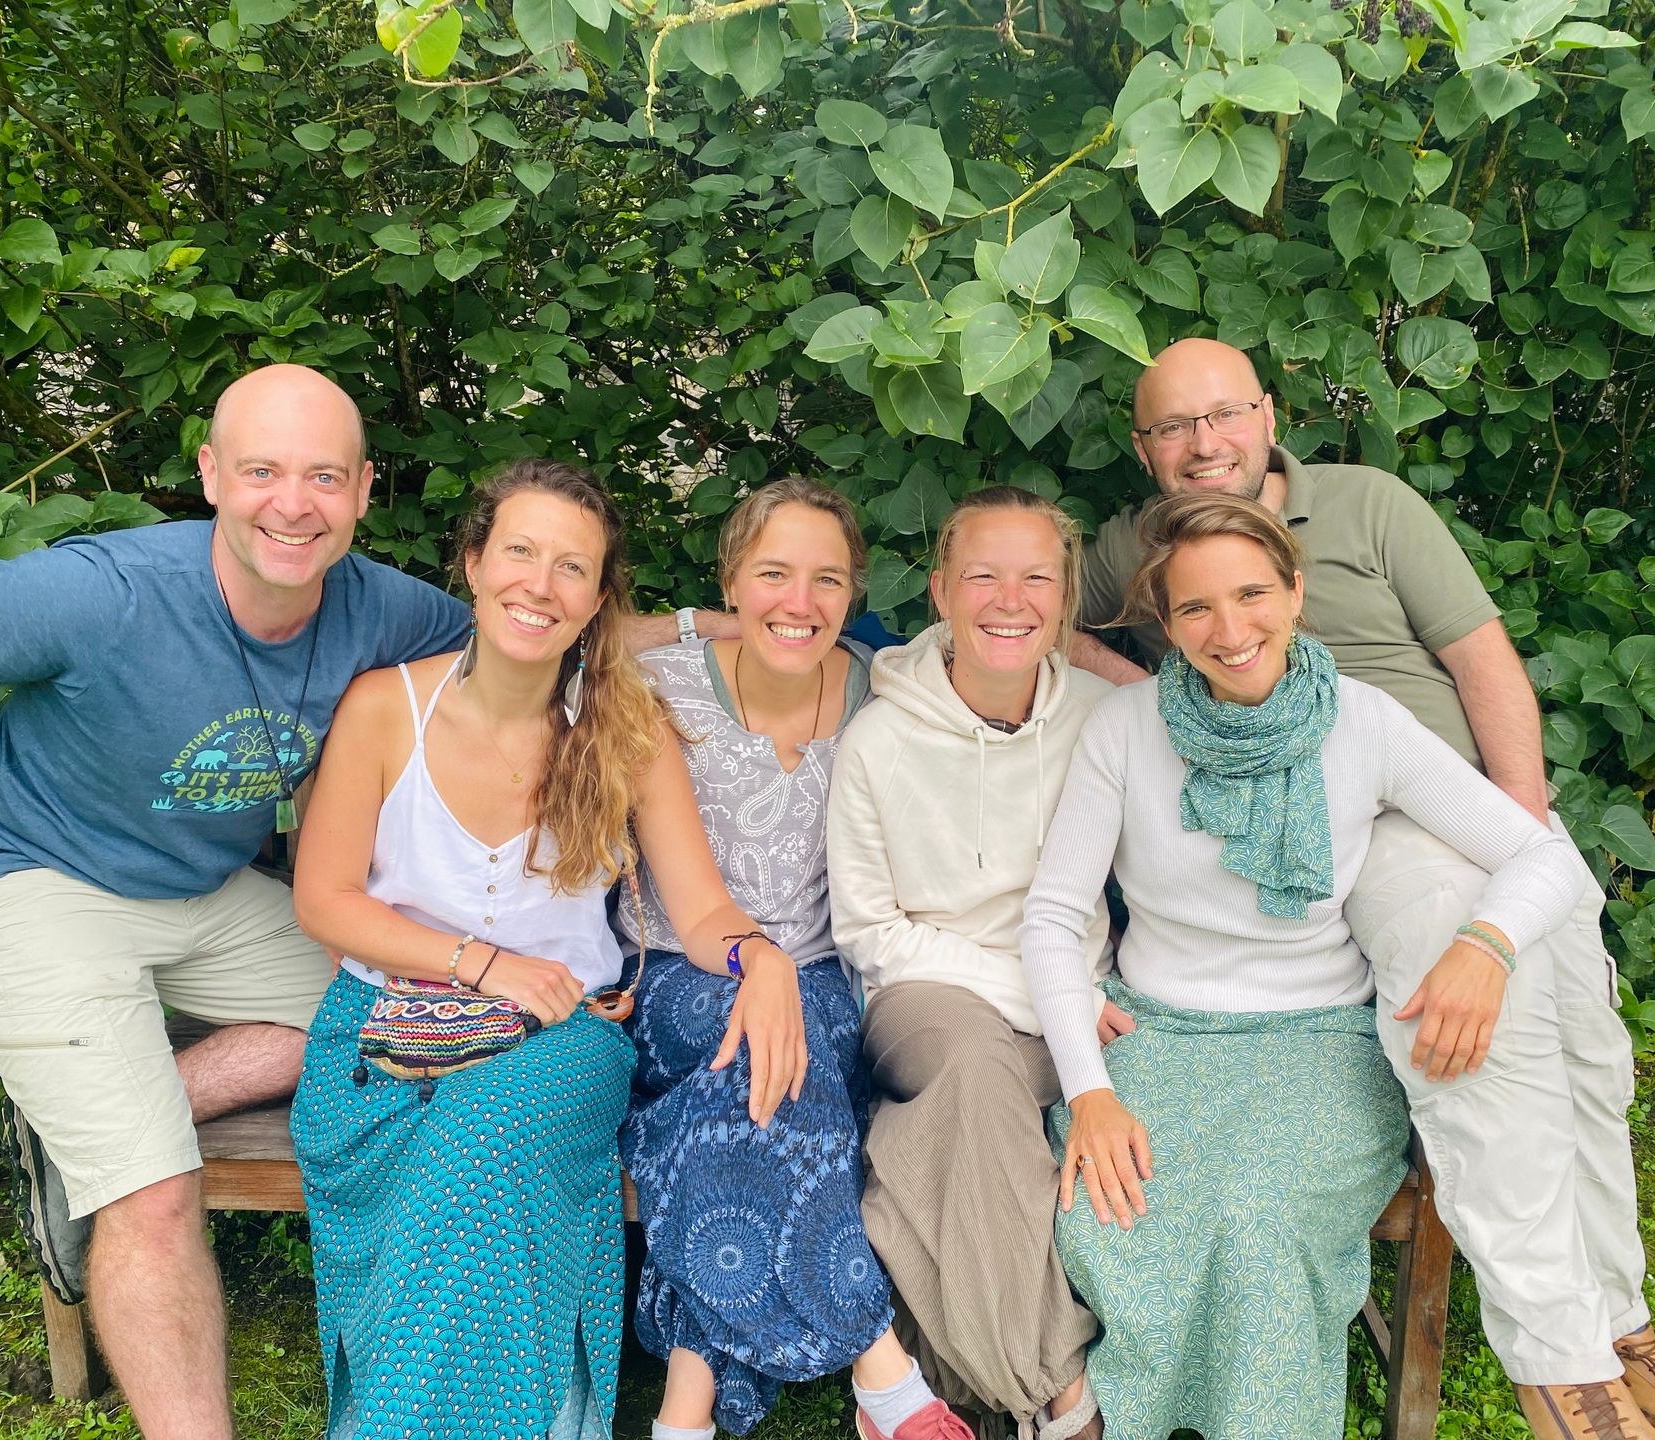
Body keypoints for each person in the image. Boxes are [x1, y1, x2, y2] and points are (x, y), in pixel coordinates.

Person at [1068, 337, 1655, 1440]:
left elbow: (1481, 658)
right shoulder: (1137, 547)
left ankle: (1622, 1322)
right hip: (1363, 829)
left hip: (1469, 801)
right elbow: (1038, 614)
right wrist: (1146, 688)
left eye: (1223, 415)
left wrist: (1521, 829)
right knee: (1473, 1030)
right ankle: (1557, 1360)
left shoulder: (1371, 506)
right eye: (1173, 428)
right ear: (1144, 449)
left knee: (1584, 1038)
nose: (1203, 445)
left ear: (1267, 413)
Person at [0, 365, 471, 1440]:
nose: (294, 503)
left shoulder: (381, 607)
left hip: (202, 892)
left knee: (396, 1006)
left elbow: (540, 628)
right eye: (263, 471)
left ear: (365, 491)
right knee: (152, 1195)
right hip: (31, 883)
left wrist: (732, 628)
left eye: (324, 476)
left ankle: (91, 1124)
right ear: (209, 476)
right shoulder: (104, 592)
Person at [1022, 491, 1601, 1439]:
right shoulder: (1124, 729)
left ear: (1295, 593)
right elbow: (1052, 917)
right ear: (1164, 626)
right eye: (1196, 608)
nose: (1230, 628)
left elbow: (1544, 855)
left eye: (1252, 594)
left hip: (1320, 1038)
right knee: (1112, 1214)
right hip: (1159, 1033)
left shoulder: (1363, 723)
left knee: (1260, 1224)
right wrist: (1088, 1091)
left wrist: (1485, 946)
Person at [289, 459, 818, 1440]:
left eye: (572, 568)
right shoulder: (382, 709)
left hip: (562, 1037)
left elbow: (702, 911)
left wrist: (762, 958)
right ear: (475, 561)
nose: (540, 584)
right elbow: (323, 901)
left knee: (481, 1148)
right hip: (383, 1032)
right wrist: (482, 966)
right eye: (520, 553)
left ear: (598, 601)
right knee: (449, 1176)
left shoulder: (625, 729)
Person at [613, 478, 971, 1440]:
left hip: (823, 976)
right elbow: (688, 899)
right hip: (678, 969)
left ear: (855, 593)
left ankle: (687, 1401)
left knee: (768, 1073)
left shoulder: (882, 691)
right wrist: (755, 964)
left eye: (826, 579)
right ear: (732, 580)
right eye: (772, 573)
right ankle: (879, 1367)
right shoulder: (664, 691)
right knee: (753, 1042)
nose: (798, 603)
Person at [827, 487, 1117, 1440]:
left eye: (1037, 575)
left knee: (955, 1121)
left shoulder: (1109, 722)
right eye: (983, 574)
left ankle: (934, 1370)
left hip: (1079, 1001)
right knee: (968, 1067)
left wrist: (1072, 995)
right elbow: (869, 930)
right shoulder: (876, 738)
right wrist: (1042, 992)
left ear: (1065, 596)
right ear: (942, 591)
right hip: (927, 998)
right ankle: (1054, 1389)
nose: (1010, 598)